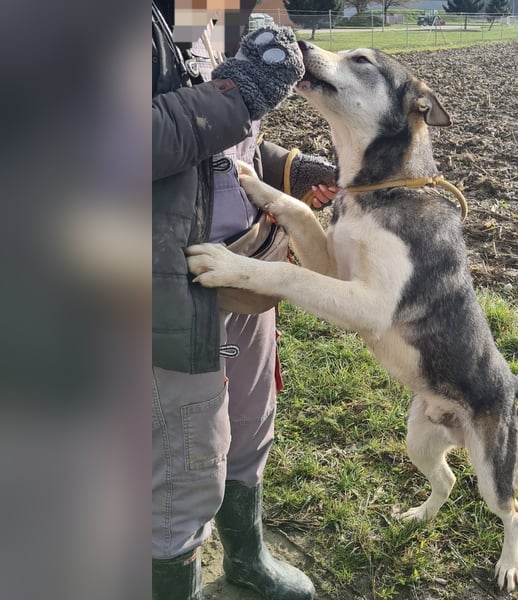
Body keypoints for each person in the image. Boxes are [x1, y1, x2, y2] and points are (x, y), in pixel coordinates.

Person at [152, 2, 336, 598]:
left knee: (249, 423)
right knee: (183, 463)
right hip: (166, 290)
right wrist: (242, 93)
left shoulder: (207, 11)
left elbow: (219, 148)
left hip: (246, 271)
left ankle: (247, 560)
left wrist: (284, 168)